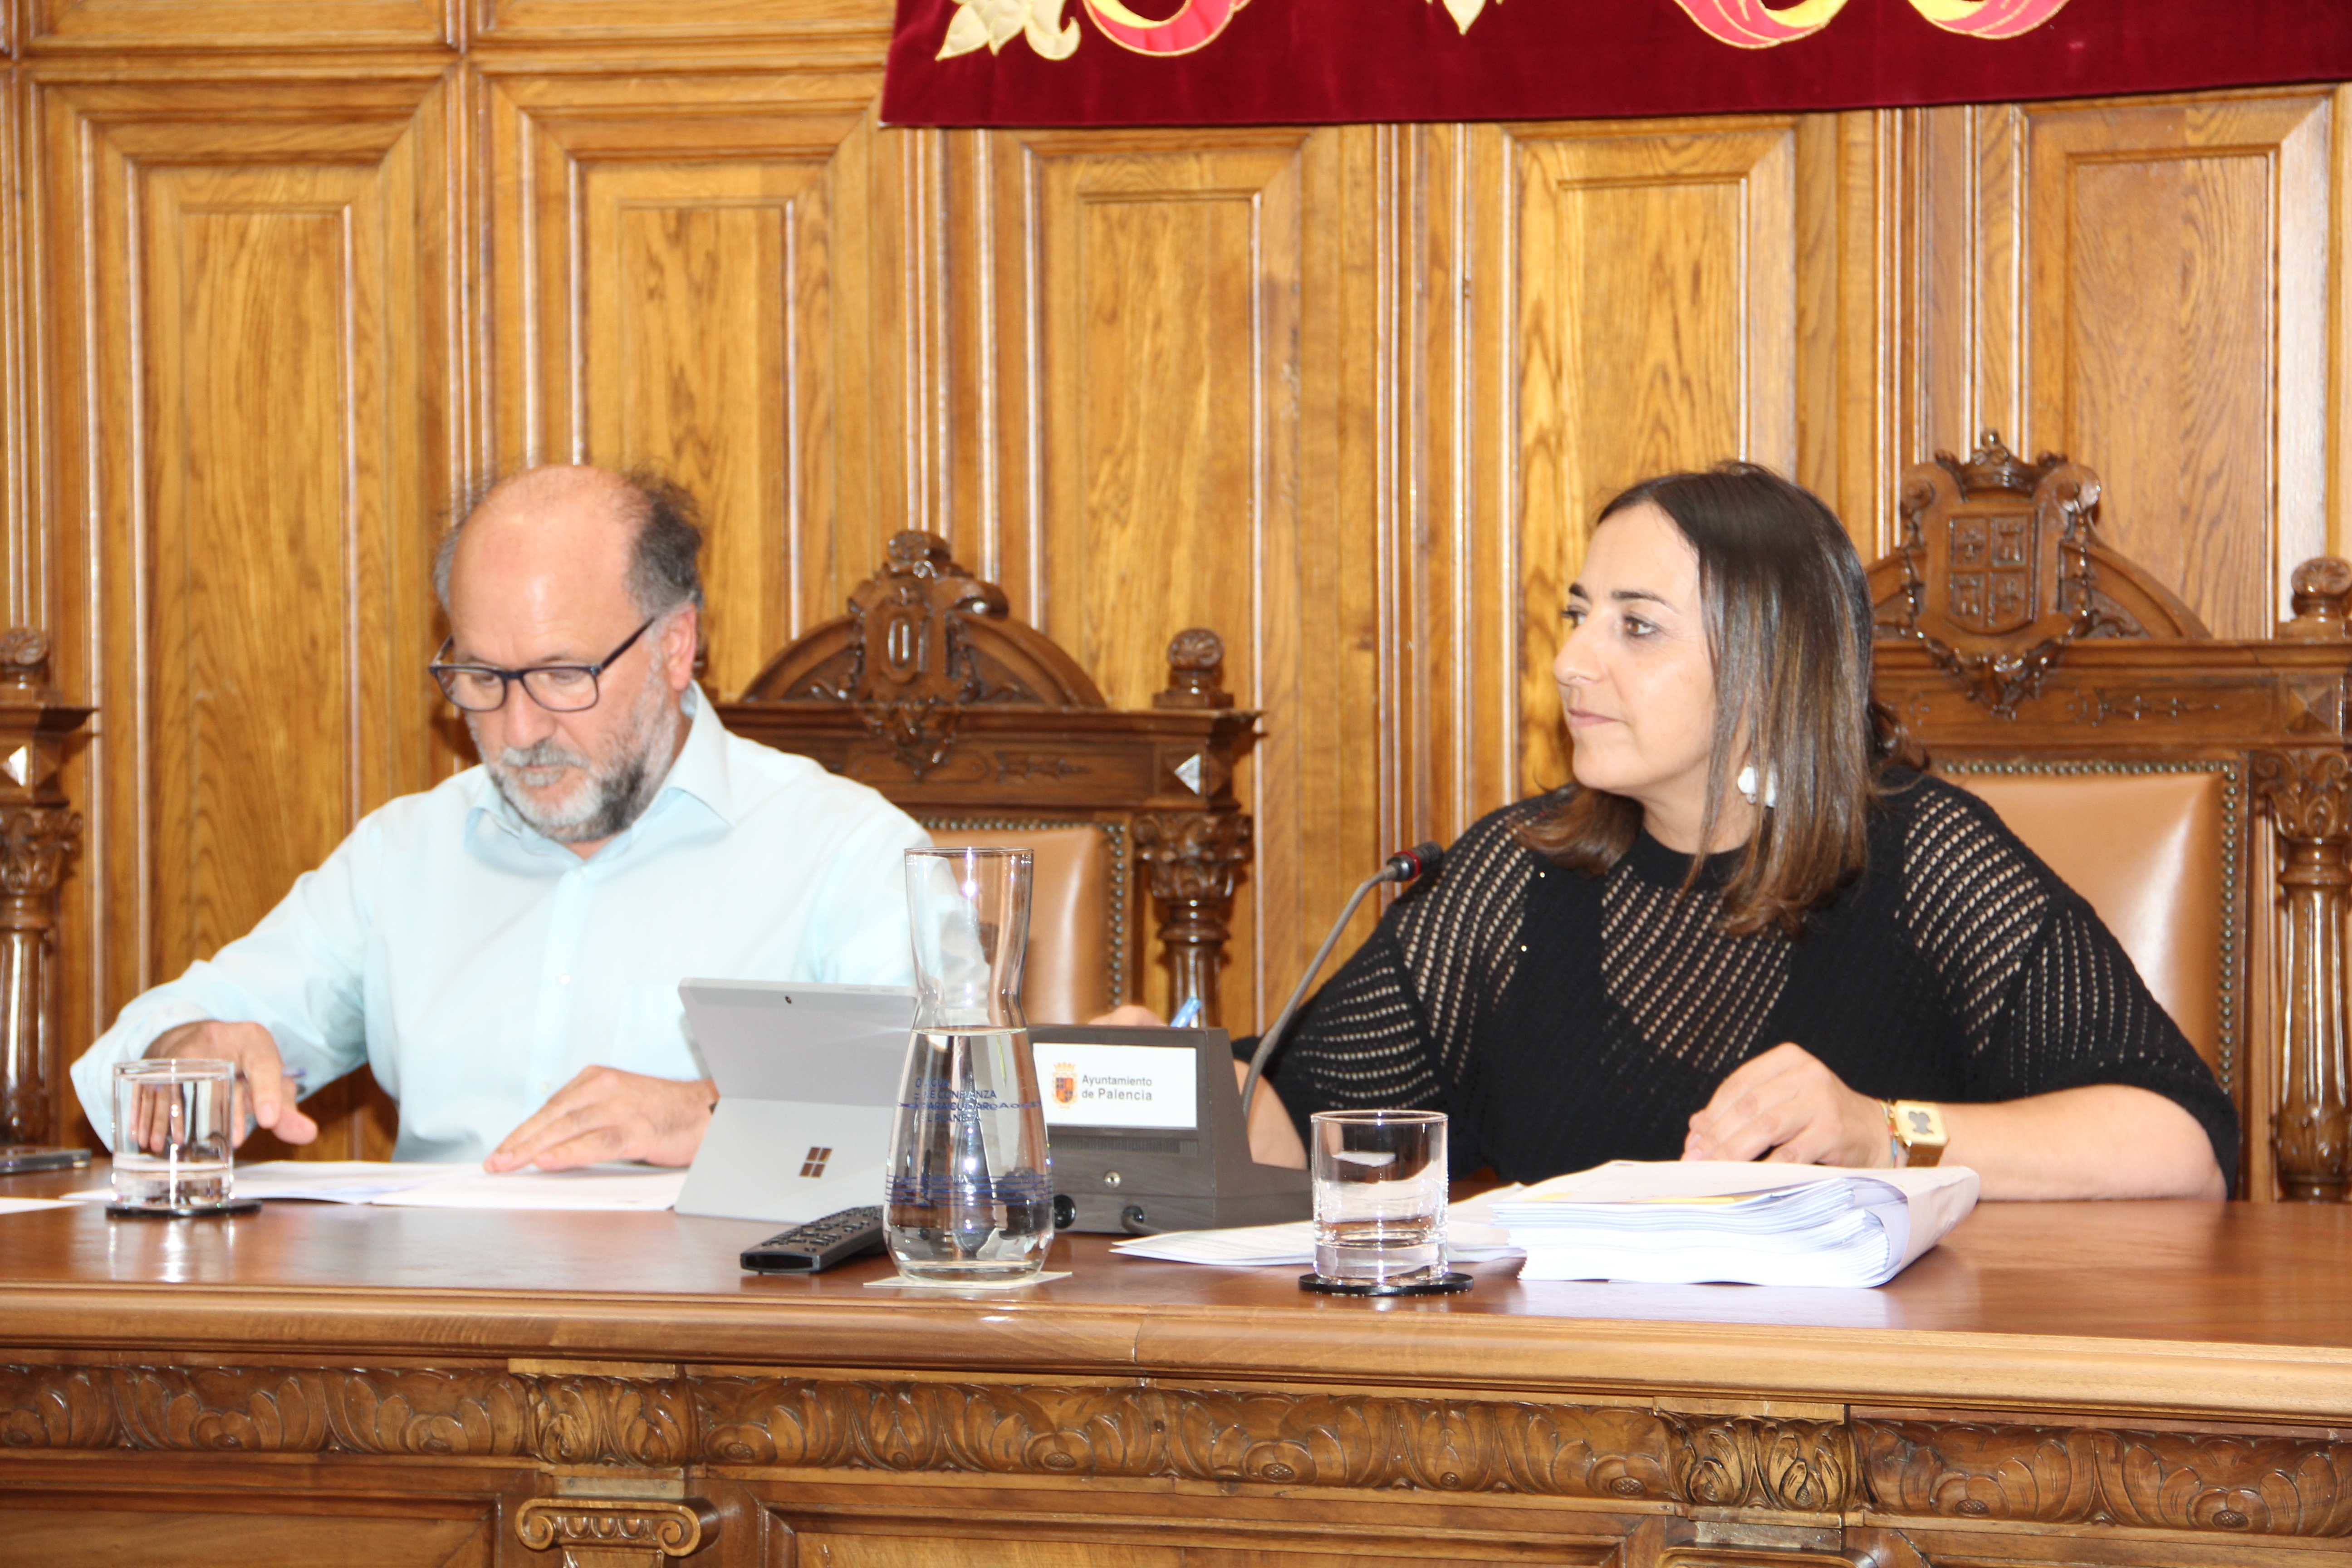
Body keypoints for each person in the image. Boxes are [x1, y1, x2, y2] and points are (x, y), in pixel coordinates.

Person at [1191, 464, 2235, 1199]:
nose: (1572, 664)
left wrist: (1885, 1131)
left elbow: (2181, 1148)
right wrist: (1174, 1085)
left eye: (1636, 627)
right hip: (1569, 1425)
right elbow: (1304, 1124)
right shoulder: (1516, 875)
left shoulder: (1922, 856)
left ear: (1769, 667)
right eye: (1579, 615)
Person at [69, 466, 929, 1170]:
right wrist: (196, 1054)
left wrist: (714, 1115)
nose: (520, 732)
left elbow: (963, 1122)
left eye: (562, 676)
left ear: (675, 647)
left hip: (719, 1358)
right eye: (482, 678)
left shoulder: (846, 853)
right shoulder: (406, 856)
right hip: (423, 1355)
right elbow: (138, 1057)